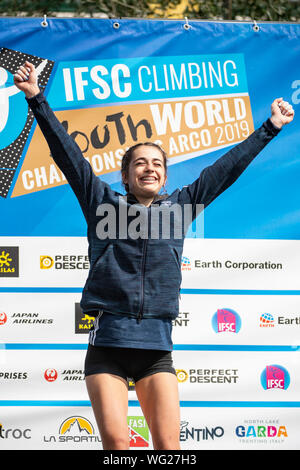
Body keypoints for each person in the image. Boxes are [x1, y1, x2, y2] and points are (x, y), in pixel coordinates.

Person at [14, 61, 294, 450]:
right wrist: (36, 98)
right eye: (139, 163)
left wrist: (270, 127)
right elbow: (68, 155)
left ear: (164, 178)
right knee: (117, 444)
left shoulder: (181, 208)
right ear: (125, 175)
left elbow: (225, 170)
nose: (149, 168)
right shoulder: (101, 203)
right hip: (108, 346)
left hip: (156, 349)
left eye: (157, 164)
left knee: (168, 448)